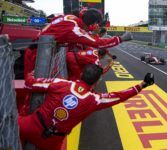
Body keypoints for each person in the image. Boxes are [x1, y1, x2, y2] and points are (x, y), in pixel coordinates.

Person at [18, 64, 154, 150]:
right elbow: (119, 96)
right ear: (96, 82)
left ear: (81, 74)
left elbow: (30, 84)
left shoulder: (61, 83)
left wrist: (32, 73)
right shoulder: (93, 100)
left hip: (30, 125)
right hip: (52, 141)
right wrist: (142, 84)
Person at [40, 8, 133, 50]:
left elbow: (52, 18)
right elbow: (97, 43)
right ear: (92, 23)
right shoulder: (75, 29)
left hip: (42, 46)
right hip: (40, 53)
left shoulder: (70, 17)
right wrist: (121, 38)